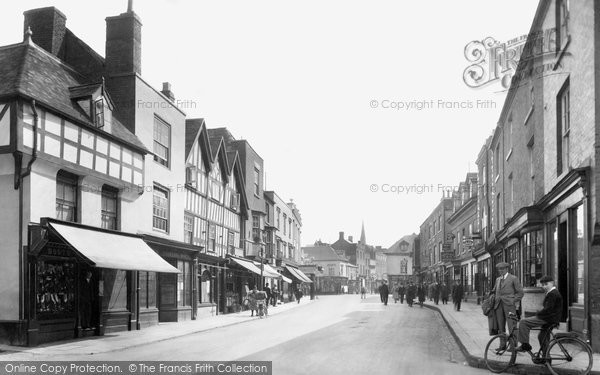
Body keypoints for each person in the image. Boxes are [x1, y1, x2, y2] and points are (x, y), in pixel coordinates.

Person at [516, 275, 562, 352]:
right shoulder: (552, 293)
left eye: (546, 284)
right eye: (543, 285)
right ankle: (546, 358)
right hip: (551, 318)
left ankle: (525, 345)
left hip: (548, 318)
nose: (544, 287)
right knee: (542, 336)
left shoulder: (552, 294)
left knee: (523, 322)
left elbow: (548, 309)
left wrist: (538, 314)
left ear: (552, 283)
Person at [492, 262, 524, 348]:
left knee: (512, 325)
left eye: (502, 269)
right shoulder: (498, 280)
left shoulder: (513, 278)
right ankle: (502, 345)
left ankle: (513, 346)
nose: (500, 271)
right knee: (500, 326)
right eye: (499, 269)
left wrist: (513, 301)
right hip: (498, 305)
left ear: (507, 269)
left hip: (509, 306)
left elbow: (520, 293)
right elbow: (495, 291)